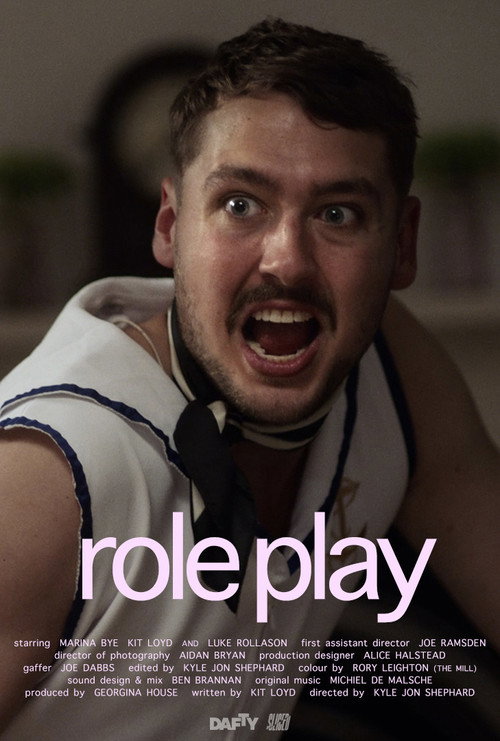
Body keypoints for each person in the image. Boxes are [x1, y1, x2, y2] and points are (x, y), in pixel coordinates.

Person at [0, 17, 498, 740]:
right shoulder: (47, 478)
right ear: (170, 226)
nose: (287, 260)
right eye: (240, 204)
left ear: (401, 245)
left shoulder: (392, 370)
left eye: (338, 214)